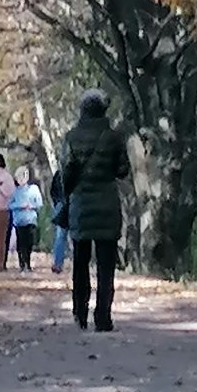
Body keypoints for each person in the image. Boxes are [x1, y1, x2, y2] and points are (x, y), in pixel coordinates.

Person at [61, 88, 131, 332]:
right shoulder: (114, 137)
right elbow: (123, 170)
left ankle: (80, 312)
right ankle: (103, 317)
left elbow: (66, 173)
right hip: (107, 205)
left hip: (81, 205)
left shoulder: (71, 137)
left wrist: (66, 193)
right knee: (105, 265)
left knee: (80, 263)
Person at [9, 167, 44, 271]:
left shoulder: (34, 189)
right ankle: (22, 264)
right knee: (21, 243)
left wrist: (31, 206)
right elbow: (9, 205)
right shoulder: (15, 191)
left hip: (31, 220)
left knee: (29, 243)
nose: (21, 179)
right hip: (19, 221)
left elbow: (39, 203)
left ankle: (27, 263)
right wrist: (20, 206)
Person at [50, 168, 70, 274]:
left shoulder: (60, 172)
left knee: (61, 236)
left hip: (66, 204)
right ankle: (58, 264)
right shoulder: (60, 173)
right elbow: (53, 190)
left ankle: (58, 264)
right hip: (63, 205)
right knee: (61, 235)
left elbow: (53, 191)